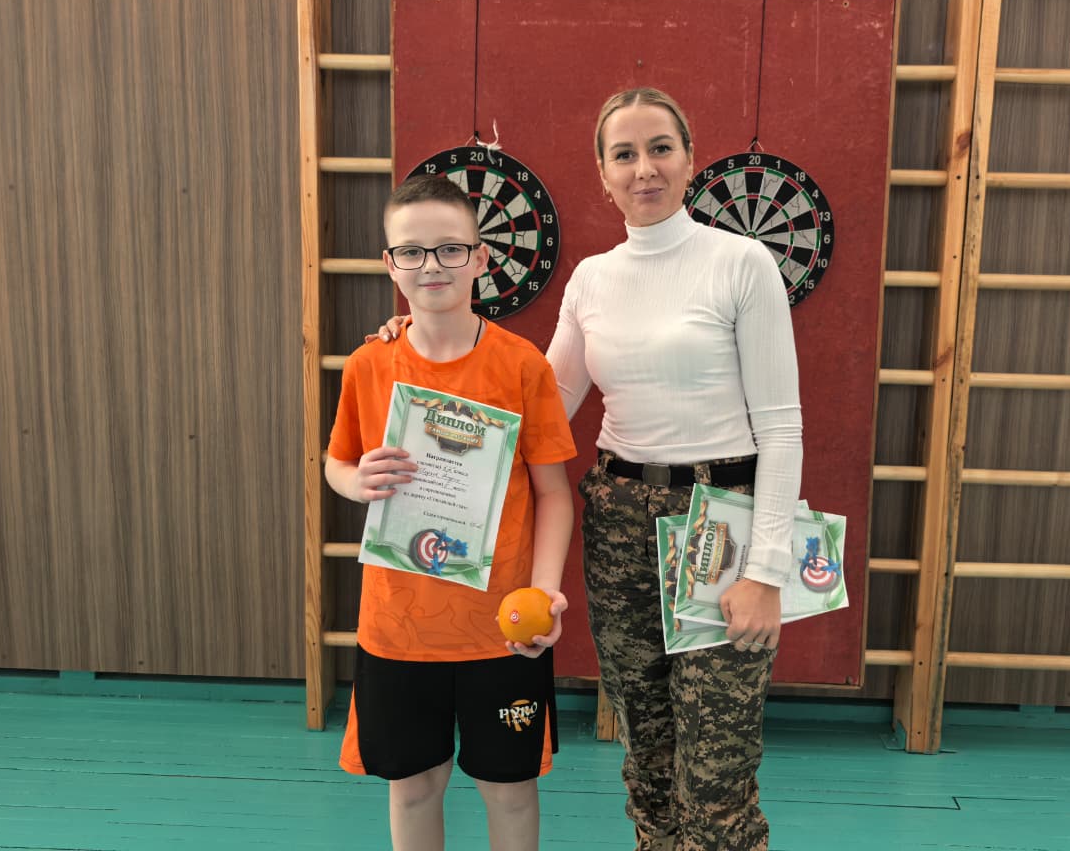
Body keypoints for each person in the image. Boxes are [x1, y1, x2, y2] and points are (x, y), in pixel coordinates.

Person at [376, 88, 802, 851]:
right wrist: (421, 334)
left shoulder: (741, 263)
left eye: (661, 148)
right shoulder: (593, 280)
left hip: (721, 522)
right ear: (603, 175)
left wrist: (768, 570)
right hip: (619, 515)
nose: (645, 169)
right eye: (624, 155)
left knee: (717, 768)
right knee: (647, 747)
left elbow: (781, 426)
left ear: (691, 158)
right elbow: (532, 407)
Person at [327, 173, 577, 851]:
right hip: (397, 627)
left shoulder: (523, 366)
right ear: (390, 264)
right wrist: (354, 482)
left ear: (479, 257)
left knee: (510, 791)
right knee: (412, 787)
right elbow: (337, 463)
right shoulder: (368, 366)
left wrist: (543, 591)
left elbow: (554, 492)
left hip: (503, 628)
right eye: (412, 251)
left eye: (449, 248)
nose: (431, 265)